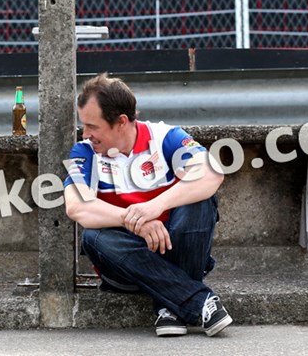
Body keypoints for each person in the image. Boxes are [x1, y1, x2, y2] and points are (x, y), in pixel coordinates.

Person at [63, 73, 232, 337]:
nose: (85, 134)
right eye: (83, 125)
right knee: (94, 238)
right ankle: (198, 302)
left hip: (177, 254)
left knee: (200, 201)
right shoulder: (84, 152)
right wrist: (137, 222)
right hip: (127, 267)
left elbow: (212, 173)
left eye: (92, 126)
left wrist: (154, 207)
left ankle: (171, 307)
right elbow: (77, 207)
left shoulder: (166, 138)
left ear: (121, 122)